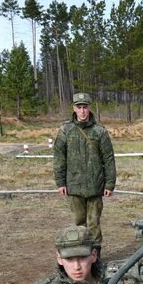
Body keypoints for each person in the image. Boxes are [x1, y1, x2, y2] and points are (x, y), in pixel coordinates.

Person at [53, 92, 116, 249]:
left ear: (89, 108)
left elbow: (108, 158)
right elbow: (59, 157)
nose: (82, 111)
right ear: (74, 108)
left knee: (94, 224)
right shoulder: (65, 130)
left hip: (95, 186)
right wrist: (60, 182)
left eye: (85, 107)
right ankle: (81, 256)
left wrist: (109, 184)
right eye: (79, 107)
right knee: (79, 223)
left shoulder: (100, 131)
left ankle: (96, 260)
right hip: (74, 185)